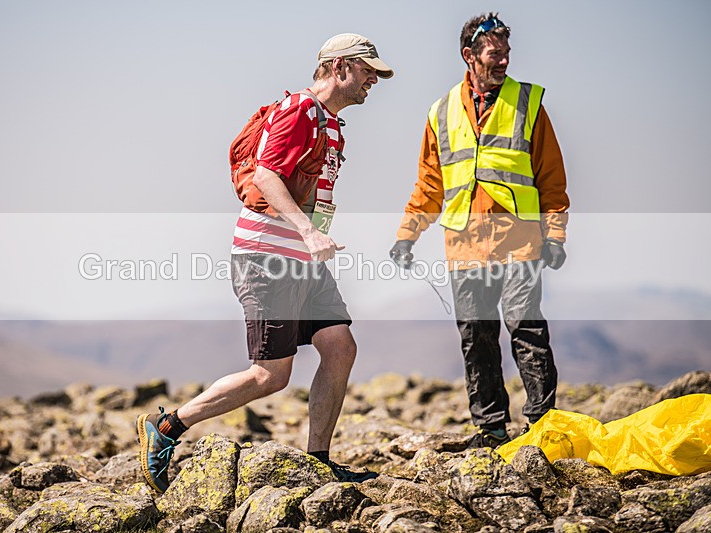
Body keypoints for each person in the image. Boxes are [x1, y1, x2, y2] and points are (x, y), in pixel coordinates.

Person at [137, 33, 393, 492]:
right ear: (338, 68)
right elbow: (265, 174)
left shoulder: (331, 122)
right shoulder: (300, 110)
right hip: (266, 256)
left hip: (301, 261)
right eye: (367, 70)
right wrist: (309, 231)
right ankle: (169, 425)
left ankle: (318, 461)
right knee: (269, 376)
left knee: (340, 346)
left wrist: (311, 236)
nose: (373, 79)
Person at [390, 13, 569, 449]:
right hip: (465, 245)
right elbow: (430, 184)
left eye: (507, 52)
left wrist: (556, 233)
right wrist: (407, 234)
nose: (504, 61)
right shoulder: (441, 111)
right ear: (469, 56)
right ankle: (489, 429)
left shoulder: (528, 104)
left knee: (526, 330)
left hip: (520, 240)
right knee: (476, 336)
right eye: (495, 53)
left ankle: (541, 426)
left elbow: (551, 179)